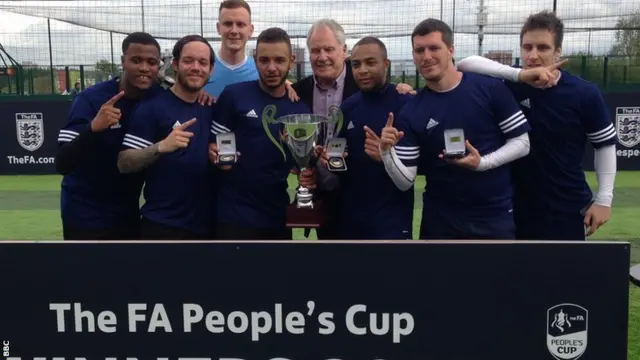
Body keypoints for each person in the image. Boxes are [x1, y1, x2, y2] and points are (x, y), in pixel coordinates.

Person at [455, 11, 617, 240]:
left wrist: (604, 200)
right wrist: (519, 75)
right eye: (527, 47)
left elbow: (605, 146)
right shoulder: (508, 84)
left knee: (560, 275)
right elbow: (464, 64)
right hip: (511, 207)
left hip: (565, 207)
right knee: (512, 275)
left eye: (543, 48)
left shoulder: (584, 93)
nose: (533, 55)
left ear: (558, 51)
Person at [379, 18, 532, 240]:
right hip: (439, 223)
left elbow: (522, 143)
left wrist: (482, 163)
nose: (427, 56)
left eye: (434, 48)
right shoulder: (410, 111)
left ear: (451, 49)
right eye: (419, 50)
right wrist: (386, 152)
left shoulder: (490, 89)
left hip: (493, 217)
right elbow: (405, 182)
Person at [55, 32, 163, 240]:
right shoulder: (91, 99)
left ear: (159, 66)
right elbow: (62, 163)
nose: (144, 68)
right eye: (136, 60)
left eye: (151, 62)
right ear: (122, 62)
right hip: (85, 213)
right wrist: (94, 127)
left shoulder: (157, 98)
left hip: (128, 213)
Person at [208, 27, 313, 240]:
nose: (271, 68)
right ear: (255, 59)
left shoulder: (300, 110)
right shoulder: (233, 96)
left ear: (291, 61)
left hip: (277, 215)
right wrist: (215, 156)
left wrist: (307, 168)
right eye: (264, 60)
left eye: (279, 60)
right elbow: (212, 145)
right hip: (234, 216)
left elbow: (300, 162)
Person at [117, 35, 216, 240]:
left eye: (203, 62)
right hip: (163, 228)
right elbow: (124, 162)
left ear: (211, 69)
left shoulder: (213, 108)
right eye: (188, 61)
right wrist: (161, 146)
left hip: (210, 228)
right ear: (175, 64)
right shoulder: (152, 108)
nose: (196, 67)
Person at [330, 36, 414, 240]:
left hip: (392, 221)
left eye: (370, 62)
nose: (362, 70)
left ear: (386, 64)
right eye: (356, 64)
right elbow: (339, 160)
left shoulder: (406, 103)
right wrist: (328, 160)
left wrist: (387, 154)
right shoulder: (348, 107)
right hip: (350, 220)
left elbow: (414, 171)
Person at [203, 0, 298, 102]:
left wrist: (288, 85)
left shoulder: (261, 69)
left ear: (251, 30)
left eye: (240, 24)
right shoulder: (202, 71)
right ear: (218, 28)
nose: (234, 31)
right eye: (228, 24)